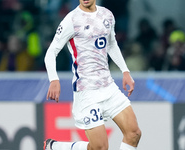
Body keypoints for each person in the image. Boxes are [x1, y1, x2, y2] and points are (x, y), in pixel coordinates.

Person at [44, 0, 141, 150]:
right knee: (100, 147)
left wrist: (125, 71)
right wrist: (54, 79)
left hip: (108, 87)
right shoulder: (71, 19)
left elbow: (111, 44)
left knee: (134, 133)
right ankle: (57, 147)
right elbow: (51, 52)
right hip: (87, 92)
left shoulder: (107, 15)